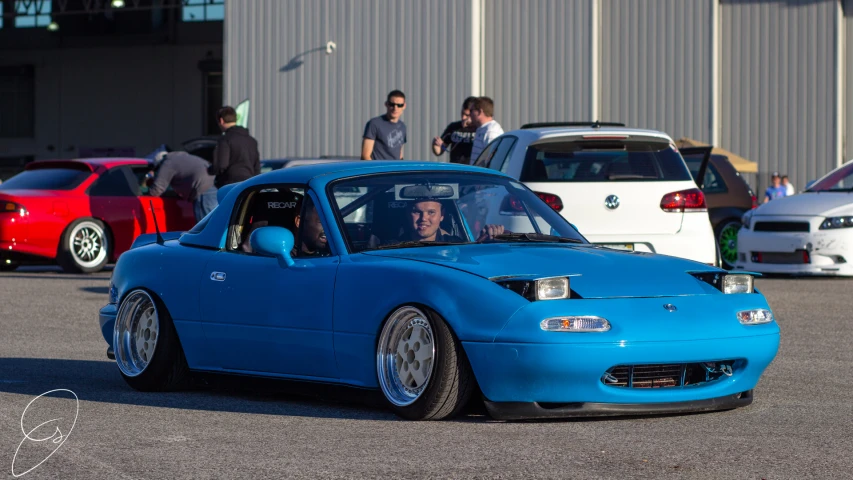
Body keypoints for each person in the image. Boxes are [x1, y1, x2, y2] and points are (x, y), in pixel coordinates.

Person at [145, 150, 218, 222]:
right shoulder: (182, 157)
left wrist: (145, 196)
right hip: (213, 186)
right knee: (215, 224)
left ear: (160, 163)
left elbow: (158, 188)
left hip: (202, 191)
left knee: (206, 226)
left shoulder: (168, 162)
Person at [209, 106, 260, 188]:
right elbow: (256, 167)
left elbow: (221, 165)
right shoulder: (252, 140)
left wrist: (210, 170)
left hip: (230, 185)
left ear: (221, 120)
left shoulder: (225, 139)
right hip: (248, 184)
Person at [361, 90, 407, 160]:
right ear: (386, 104)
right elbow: (365, 155)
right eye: (392, 104)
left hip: (395, 169)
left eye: (399, 105)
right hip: (380, 169)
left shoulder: (402, 126)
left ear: (404, 106)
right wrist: (376, 170)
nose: (395, 108)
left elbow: (400, 153)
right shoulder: (374, 124)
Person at [432, 96, 478, 164]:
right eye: (462, 113)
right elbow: (439, 151)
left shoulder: (480, 129)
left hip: (472, 169)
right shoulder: (454, 127)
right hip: (456, 168)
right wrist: (435, 144)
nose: (463, 117)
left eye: (467, 115)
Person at [469, 96, 504, 163]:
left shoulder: (491, 131)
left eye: (471, 111)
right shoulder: (482, 129)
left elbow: (493, 158)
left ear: (479, 112)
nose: (469, 114)